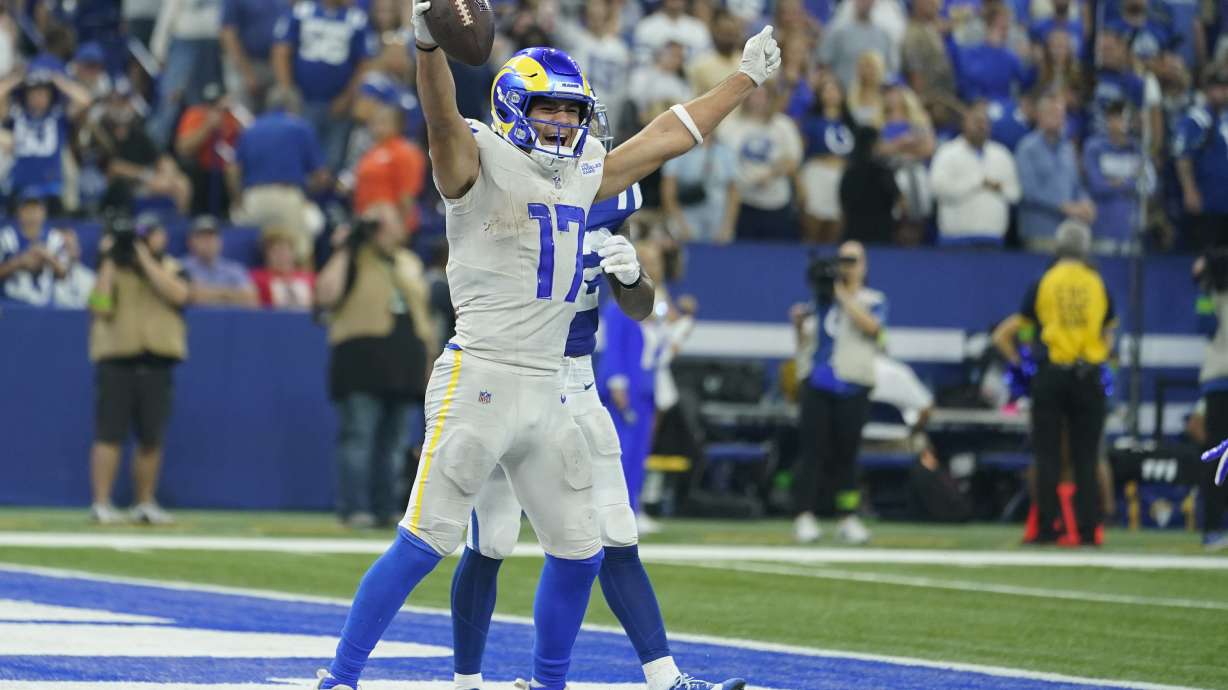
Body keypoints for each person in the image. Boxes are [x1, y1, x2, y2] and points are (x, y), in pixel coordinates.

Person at [309, 6, 780, 688]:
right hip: (480, 378)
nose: (563, 123)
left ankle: (547, 685)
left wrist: (742, 81)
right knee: (424, 542)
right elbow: (441, 120)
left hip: (550, 387)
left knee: (580, 551)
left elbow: (666, 139)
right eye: (549, 110)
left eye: (570, 112)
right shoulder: (476, 154)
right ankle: (340, 679)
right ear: (511, 108)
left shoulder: (583, 170)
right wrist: (427, 45)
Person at [991, 222, 1114, 545]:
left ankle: (1046, 527)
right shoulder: (1097, 283)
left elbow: (1027, 328)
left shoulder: (1044, 281)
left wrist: (1024, 362)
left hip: (1052, 373)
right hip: (1089, 374)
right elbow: (1107, 334)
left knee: (1047, 455)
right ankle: (1089, 530)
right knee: (1086, 456)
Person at [315, 212, 435, 528]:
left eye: (391, 220)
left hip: (404, 360)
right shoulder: (353, 257)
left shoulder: (408, 261)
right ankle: (354, 508)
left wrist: (428, 360)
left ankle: (387, 508)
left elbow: (422, 312)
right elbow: (325, 295)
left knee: (394, 440)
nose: (389, 227)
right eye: (380, 222)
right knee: (359, 435)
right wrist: (346, 247)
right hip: (360, 359)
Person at [88, 215, 191, 525]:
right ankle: (102, 503)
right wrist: (108, 260)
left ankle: (144, 502)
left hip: (157, 360)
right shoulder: (111, 270)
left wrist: (144, 259)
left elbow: (179, 295)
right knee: (109, 435)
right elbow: (99, 306)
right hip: (118, 360)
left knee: (151, 437)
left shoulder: (172, 267)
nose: (144, 240)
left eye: (150, 234)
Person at [790, 241, 885, 545]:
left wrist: (842, 293)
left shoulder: (872, 299)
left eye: (852, 260)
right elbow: (804, 343)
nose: (846, 266)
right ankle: (805, 514)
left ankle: (848, 516)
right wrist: (798, 324)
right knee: (812, 452)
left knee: (848, 455)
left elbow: (872, 328)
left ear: (864, 265)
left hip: (853, 383)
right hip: (818, 382)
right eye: (842, 260)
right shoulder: (819, 299)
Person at [228, 86, 329, 261]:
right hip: (286, 196)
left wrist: (238, 199)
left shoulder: (251, 128)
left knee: (255, 257)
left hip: (253, 199)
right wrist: (305, 191)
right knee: (299, 255)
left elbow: (232, 170)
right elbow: (321, 176)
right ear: (294, 107)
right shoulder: (300, 127)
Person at [272, 0, 375, 171]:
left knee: (332, 160)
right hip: (303, 99)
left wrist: (347, 97)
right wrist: (288, 90)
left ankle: (325, 197)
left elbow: (364, 63)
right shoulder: (302, 11)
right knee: (299, 154)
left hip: (337, 103)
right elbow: (281, 50)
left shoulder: (356, 18)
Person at [929, 101, 1021, 247]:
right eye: (976, 121)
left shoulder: (1002, 154)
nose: (981, 126)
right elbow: (938, 189)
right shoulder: (947, 153)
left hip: (993, 238)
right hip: (955, 239)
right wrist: (978, 182)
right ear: (964, 123)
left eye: (984, 122)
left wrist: (998, 187)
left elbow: (1015, 194)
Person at [1015, 93, 1094, 252]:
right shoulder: (1026, 148)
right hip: (1039, 231)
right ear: (1039, 116)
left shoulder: (1068, 148)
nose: (1058, 118)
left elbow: (1077, 184)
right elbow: (1029, 191)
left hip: (1069, 234)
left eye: (1061, 114)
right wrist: (1063, 206)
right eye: (1052, 113)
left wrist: (1085, 202)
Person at [724, 85, 803, 242]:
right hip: (743, 203)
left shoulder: (783, 125)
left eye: (762, 95)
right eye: (753, 94)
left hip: (777, 202)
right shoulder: (730, 126)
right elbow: (725, 162)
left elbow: (793, 160)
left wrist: (772, 174)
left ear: (770, 98)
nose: (757, 99)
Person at [1083, 100, 1151, 253]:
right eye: (1119, 117)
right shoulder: (1094, 147)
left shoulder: (1137, 149)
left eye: (1127, 118)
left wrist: (1118, 183)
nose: (1124, 123)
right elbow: (1097, 186)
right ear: (1109, 120)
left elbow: (1149, 186)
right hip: (1102, 228)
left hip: (1132, 230)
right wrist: (1130, 182)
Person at [1174, 65, 1228, 250]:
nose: (1222, 92)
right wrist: (1189, 189)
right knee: (1207, 257)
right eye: (1217, 87)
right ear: (1207, 90)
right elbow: (1183, 156)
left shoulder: (1226, 118)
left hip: (1225, 201)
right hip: (1207, 202)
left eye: (1225, 87)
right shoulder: (1197, 119)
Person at [1195, 254, 1228, 550]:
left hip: (1219, 379)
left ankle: (1213, 528)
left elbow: (1203, 326)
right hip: (1219, 381)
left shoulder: (1211, 291)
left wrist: (1202, 284)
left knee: (1217, 454)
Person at [351, 104, 427, 232]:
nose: (377, 127)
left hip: (390, 223)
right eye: (374, 122)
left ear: (398, 125)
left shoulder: (405, 152)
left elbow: (407, 194)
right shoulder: (372, 151)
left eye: (383, 122)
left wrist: (401, 228)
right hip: (367, 220)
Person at [798, 76, 855, 244]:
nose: (831, 94)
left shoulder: (850, 123)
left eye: (835, 90)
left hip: (842, 176)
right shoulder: (811, 122)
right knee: (813, 223)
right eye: (826, 90)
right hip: (817, 173)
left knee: (836, 224)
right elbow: (801, 152)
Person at [660, 134, 739, 243]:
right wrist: (680, 225)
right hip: (687, 215)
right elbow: (668, 192)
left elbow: (733, 192)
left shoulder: (726, 151)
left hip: (719, 216)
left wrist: (728, 226)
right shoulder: (679, 151)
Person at [221, 0, 291, 112]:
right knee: (243, 114)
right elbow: (228, 33)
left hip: (276, 64)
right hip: (247, 62)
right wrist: (247, 73)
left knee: (279, 110)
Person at [0, 190, 66, 306]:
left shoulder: (54, 238)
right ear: (19, 212)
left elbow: (63, 273)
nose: (32, 215)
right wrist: (18, 262)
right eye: (27, 210)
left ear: (43, 212)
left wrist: (47, 256)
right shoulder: (6, 237)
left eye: (36, 210)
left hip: (45, 306)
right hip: (12, 304)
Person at [839, 126, 900, 245]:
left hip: (854, 233)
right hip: (880, 234)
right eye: (880, 141)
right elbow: (895, 196)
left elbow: (843, 199)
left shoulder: (850, 171)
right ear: (873, 145)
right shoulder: (883, 171)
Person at [181, 215, 259, 308]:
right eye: (202, 237)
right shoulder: (181, 266)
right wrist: (232, 294)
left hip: (231, 320)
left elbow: (251, 298)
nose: (208, 242)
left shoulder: (234, 268)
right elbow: (190, 296)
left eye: (212, 237)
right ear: (190, 242)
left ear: (220, 241)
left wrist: (207, 293)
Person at [818, 0, 898, 90]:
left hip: (876, 98)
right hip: (844, 96)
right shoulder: (837, 32)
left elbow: (890, 70)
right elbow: (824, 65)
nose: (865, 3)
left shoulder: (883, 35)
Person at [250, 229, 314, 310]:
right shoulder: (256, 278)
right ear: (266, 254)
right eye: (275, 251)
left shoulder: (309, 278)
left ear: (293, 253)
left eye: (285, 250)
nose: (281, 256)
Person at [51, 228, 96, 309]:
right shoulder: (42, 276)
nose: (65, 253)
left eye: (70, 246)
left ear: (78, 250)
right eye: (62, 248)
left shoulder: (90, 278)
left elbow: (101, 306)